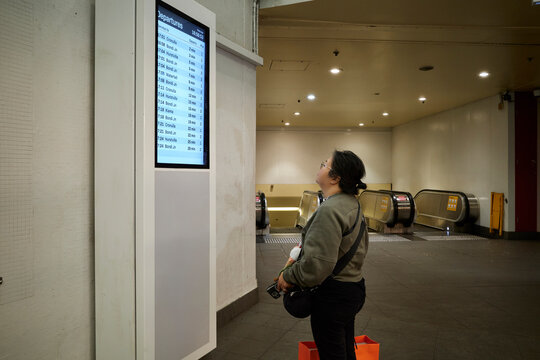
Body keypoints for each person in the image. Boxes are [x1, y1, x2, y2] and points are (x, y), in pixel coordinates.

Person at [277, 150, 369, 360]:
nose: (320, 167)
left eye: (324, 164)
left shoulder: (330, 210)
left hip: (332, 297)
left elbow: (317, 265)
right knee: (345, 350)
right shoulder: (352, 204)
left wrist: (288, 276)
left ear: (335, 177)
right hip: (352, 288)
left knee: (332, 354)